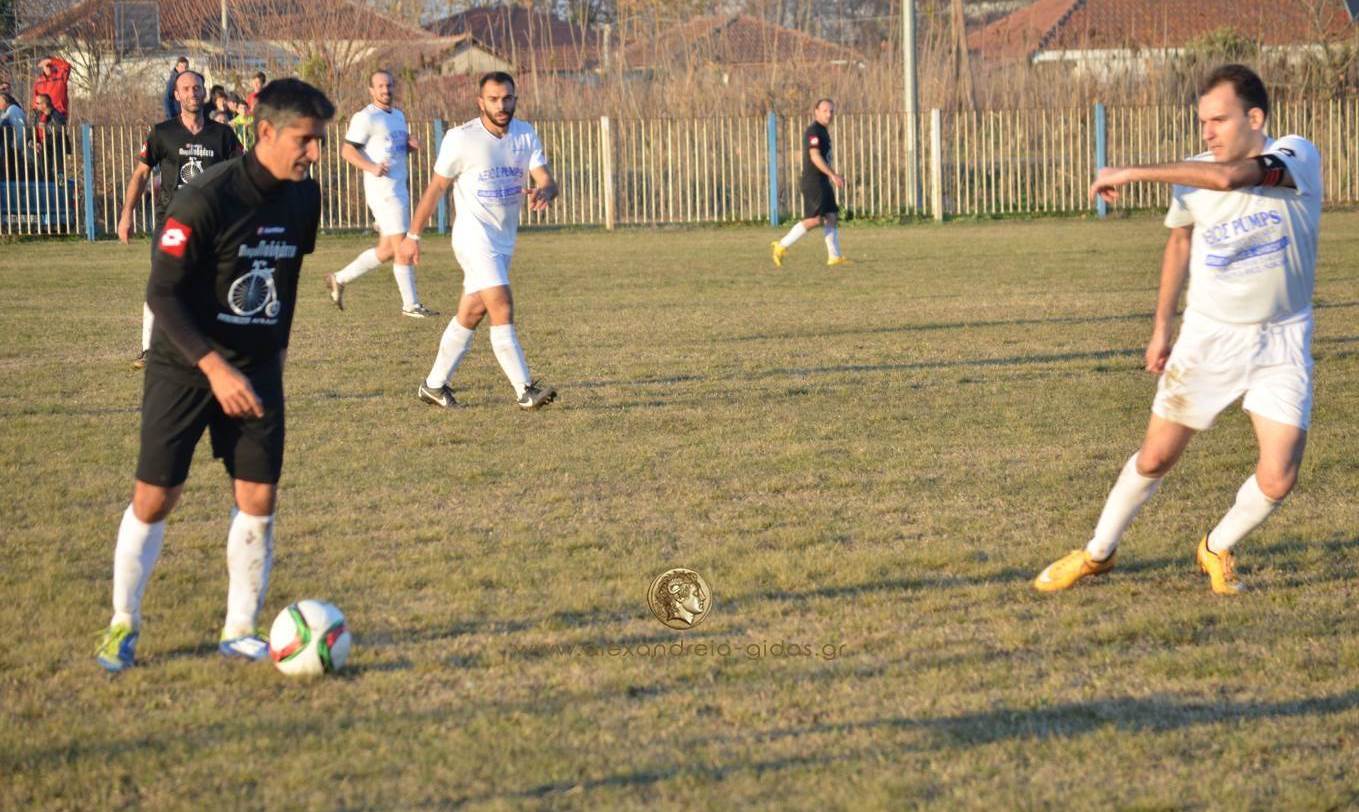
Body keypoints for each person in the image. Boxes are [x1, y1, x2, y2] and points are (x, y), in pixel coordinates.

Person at [1034, 64, 1322, 597]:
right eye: (1202, 121)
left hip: (1282, 339)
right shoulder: (1193, 174)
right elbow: (1180, 244)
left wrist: (1130, 171)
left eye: (1219, 120)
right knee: (1155, 458)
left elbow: (1230, 179)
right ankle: (1097, 552)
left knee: (1279, 476)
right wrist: (1161, 328)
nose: (1207, 132)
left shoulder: (1295, 155)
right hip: (1209, 338)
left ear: (1255, 118)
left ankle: (1216, 546)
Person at [94, 78, 335, 673]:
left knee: (258, 495)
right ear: (267, 132)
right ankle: (122, 623)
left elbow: (286, 278)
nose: (314, 153)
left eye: (320, 141)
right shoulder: (205, 198)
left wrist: (277, 353)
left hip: (255, 367)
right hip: (186, 364)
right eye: (305, 141)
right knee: (156, 497)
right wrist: (212, 368)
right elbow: (162, 294)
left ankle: (240, 629)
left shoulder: (304, 198)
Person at [399, 71, 558, 410]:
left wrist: (545, 191)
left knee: (472, 311)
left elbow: (546, 178)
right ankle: (525, 390)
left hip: (503, 240)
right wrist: (412, 236)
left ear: (515, 99)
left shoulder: (525, 134)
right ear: (480, 102)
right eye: (494, 99)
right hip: (473, 237)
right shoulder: (461, 138)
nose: (501, 106)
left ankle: (433, 385)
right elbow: (436, 188)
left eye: (507, 98)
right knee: (501, 303)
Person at [118, 71, 243, 370]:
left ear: (204, 93)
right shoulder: (162, 133)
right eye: (186, 88)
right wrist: (126, 214)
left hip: (212, 223)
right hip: (172, 222)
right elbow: (141, 174)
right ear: (176, 95)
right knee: (162, 281)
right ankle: (149, 349)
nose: (192, 93)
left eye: (197, 88)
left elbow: (241, 175)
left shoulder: (223, 135)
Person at [325, 69, 434, 317]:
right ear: (371, 90)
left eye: (389, 85)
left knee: (386, 250)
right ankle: (410, 305)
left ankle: (338, 278)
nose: (386, 90)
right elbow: (347, 151)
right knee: (402, 247)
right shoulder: (365, 117)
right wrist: (371, 167)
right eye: (381, 86)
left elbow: (392, 148)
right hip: (384, 192)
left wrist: (409, 146)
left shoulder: (398, 115)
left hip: (398, 188)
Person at [771, 98, 847, 268]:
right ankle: (781, 245)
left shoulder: (823, 131)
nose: (829, 114)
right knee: (815, 220)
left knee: (831, 216)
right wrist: (833, 175)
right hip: (814, 181)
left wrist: (830, 176)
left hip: (823, 180)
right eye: (825, 110)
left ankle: (834, 257)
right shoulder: (813, 131)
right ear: (816, 111)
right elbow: (815, 156)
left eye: (831, 111)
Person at [31, 93, 67, 176]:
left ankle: (58, 175)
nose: (35, 105)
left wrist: (46, 128)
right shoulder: (38, 115)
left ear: (44, 105)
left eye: (38, 103)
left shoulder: (55, 115)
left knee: (50, 168)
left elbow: (60, 130)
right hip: (40, 145)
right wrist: (34, 142)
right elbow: (34, 130)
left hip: (51, 146)